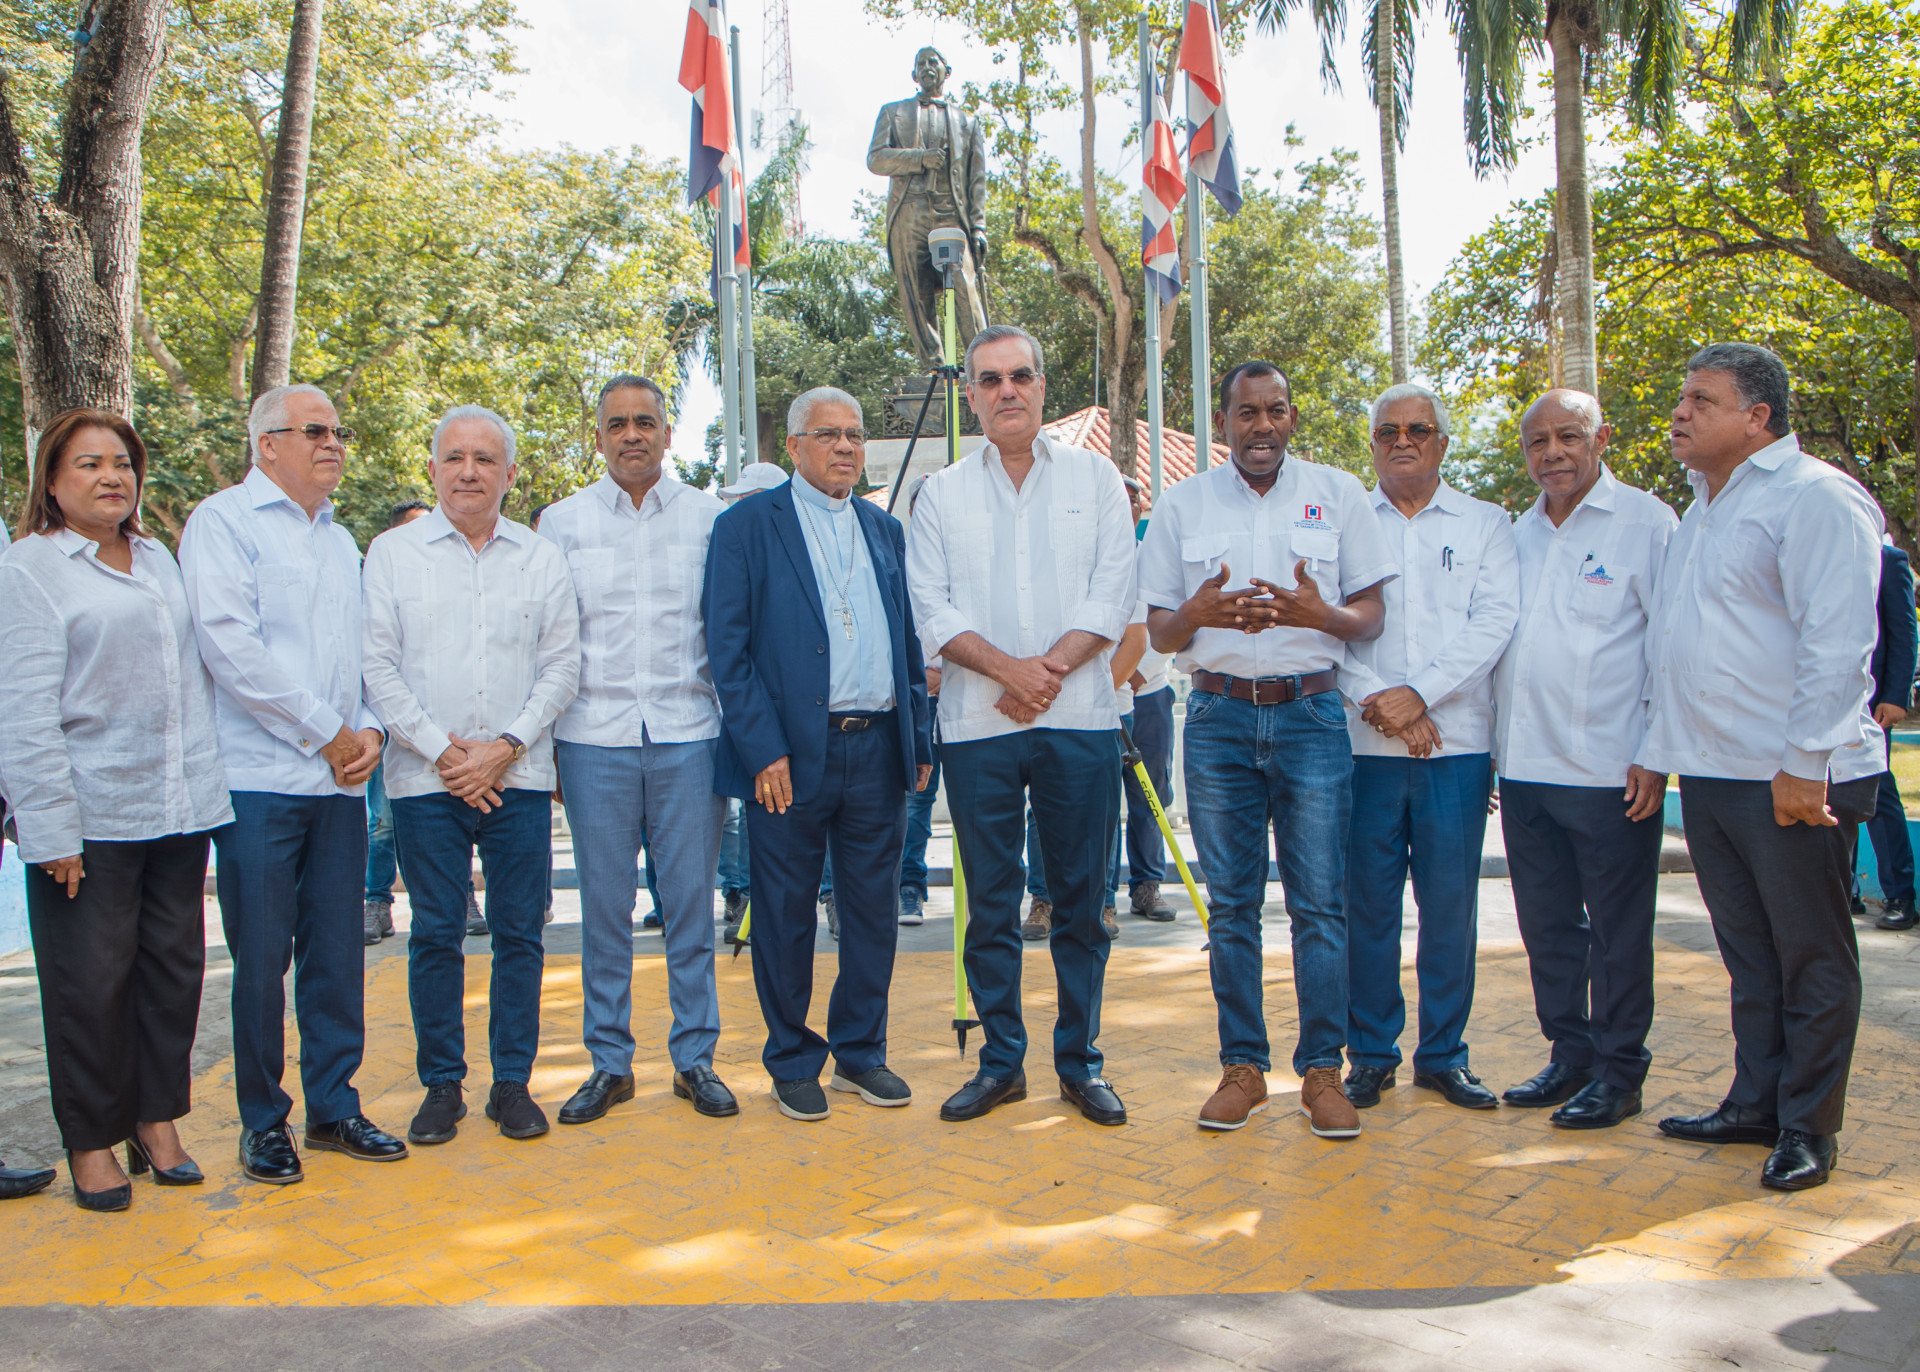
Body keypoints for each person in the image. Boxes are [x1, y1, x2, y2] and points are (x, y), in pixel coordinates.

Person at [1645, 342, 1886, 1192]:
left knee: (1810, 958)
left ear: (1758, 417)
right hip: (1715, 772)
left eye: (1701, 401)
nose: (1680, 413)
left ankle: (1809, 1127)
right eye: (1683, 398)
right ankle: (1756, 1102)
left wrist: (1805, 761)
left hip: (1794, 775)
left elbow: (1839, 639)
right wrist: (1664, 754)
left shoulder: (1815, 496)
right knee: (1751, 956)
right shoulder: (1704, 507)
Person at [1138, 360, 1393, 1138]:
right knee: (1233, 907)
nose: (1263, 426)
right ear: (1224, 422)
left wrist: (1322, 616)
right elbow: (1160, 633)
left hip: (1312, 717)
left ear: (1292, 418)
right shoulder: (1182, 504)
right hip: (1216, 716)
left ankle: (1322, 1073)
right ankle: (1243, 1069)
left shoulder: (1339, 494)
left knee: (1319, 905)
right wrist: (1198, 612)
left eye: (1276, 410)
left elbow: (1372, 615)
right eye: (1247, 413)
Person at [0, 410, 233, 1210]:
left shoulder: (158, 558)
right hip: (88, 817)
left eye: (123, 463)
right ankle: (91, 1141)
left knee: (173, 975)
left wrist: (205, 793)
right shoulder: (30, 568)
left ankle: (154, 1121)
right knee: (89, 986)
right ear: (52, 479)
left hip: (176, 806)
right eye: (89, 463)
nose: (111, 477)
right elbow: (23, 712)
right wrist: (50, 829)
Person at [907, 324, 1136, 1127]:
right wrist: (1012, 672)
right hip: (979, 724)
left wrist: (1043, 673)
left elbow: (1114, 592)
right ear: (970, 396)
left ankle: (1080, 1063)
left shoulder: (1096, 479)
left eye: (1020, 375)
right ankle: (1002, 1063)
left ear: (1041, 384)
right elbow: (930, 607)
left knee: (1081, 902)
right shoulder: (940, 495)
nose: (1006, 390)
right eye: (989, 379)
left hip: (1081, 720)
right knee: (992, 904)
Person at [180, 383, 408, 1185]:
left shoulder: (340, 541)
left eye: (338, 431)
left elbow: (363, 656)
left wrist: (370, 731)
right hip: (260, 781)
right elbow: (230, 649)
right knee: (261, 962)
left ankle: (334, 1108)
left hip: (340, 783)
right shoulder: (223, 523)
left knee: (337, 955)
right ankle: (262, 1121)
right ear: (266, 444)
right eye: (315, 430)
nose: (333, 443)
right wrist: (328, 732)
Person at [706, 386, 932, 1123]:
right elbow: (728, 652)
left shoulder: (882, 528)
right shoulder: (746, 526)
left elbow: (905, 639)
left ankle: (861, 1054)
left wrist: (917, 736)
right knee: (784, 913)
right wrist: (762, 750)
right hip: (788, 758)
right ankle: (792, 1060)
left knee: (872, 912)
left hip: (878, 746)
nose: (845, 447)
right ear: (795, 447)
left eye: (855, 435)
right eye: (829, 434)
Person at [361, 406, 580, 1146]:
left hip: (518, 775)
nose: (468, 471)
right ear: (432, 469)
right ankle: (442, 1085)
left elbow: (562, 664)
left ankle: (511, 1083)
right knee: (435, 933)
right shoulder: (392, 554)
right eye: (454, 457)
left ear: (509, 474)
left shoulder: (539, 557)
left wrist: (506, 747)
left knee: (521, 933)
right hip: (427, 782)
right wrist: (446, 753)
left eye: (485, 459)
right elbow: (377, 666)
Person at [538, 375, 736, 1124]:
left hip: (689, 736)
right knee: (604, 911)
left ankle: (695, 1058)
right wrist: (549, 750)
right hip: (593, 738)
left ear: (667, 433)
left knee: (690, 908)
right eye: (617, 423)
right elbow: (548, 639)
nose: (632, 435)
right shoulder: (562, 524)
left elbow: (729, 631)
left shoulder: (710, 520)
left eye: (645, 422)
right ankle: (609, 1063)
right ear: (598, 436)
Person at [1492, 390, 1678, 1128]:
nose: (1553, 454)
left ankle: (1620, 1071)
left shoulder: (1648, 524)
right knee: (1547, 929)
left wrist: (1655, 752)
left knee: (1617, 933)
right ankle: (1570, 1055)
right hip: (1524, 770)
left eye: (1568, 437)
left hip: (1610, 772)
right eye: (1537, 442)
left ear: (1602, 440)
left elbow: (1668, 645)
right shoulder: (1518, 533)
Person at [1340, 384, 1519, 1114]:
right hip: (1363, 748)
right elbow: (1326, 629)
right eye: (1388, 431)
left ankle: (1443, 1056)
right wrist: (1381, 701)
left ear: (1443, 442)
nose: (1403, 440)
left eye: (1418, 429)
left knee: (1449, 910)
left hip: (1456, 747)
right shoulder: (1345, 522)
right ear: (1372, 445)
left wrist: (1420, 695)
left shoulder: (1486, 523)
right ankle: (1370, 1056)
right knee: (1368, 912)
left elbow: (1494, 622)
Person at [364, 498, 432, 946]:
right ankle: (376, 901)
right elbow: (375, 660)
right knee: (382, 822)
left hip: (445, 734)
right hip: (392, 728)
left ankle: (465, 897)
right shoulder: (382, 572)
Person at [1120, 476, 1178, 925]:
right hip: (1104, 696)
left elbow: (1169, 621)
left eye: (1135, 498)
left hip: (1150, 693)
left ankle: (1147, 885)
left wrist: (1136, 673)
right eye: (1120, 498)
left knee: (1149, 794)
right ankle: (1099, 895)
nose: (1129, 505)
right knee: (1098, 799)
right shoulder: (1090, 554)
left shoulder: (1153, 557)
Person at [1863, 542, 1916, 930]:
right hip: (1823, 698)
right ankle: (1844, 891)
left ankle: (1900, 894)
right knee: (1826, 796)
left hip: (1874, 702)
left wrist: (1897, 695)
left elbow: (1904, 631)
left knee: (1877, 792)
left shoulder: (1889, 558)